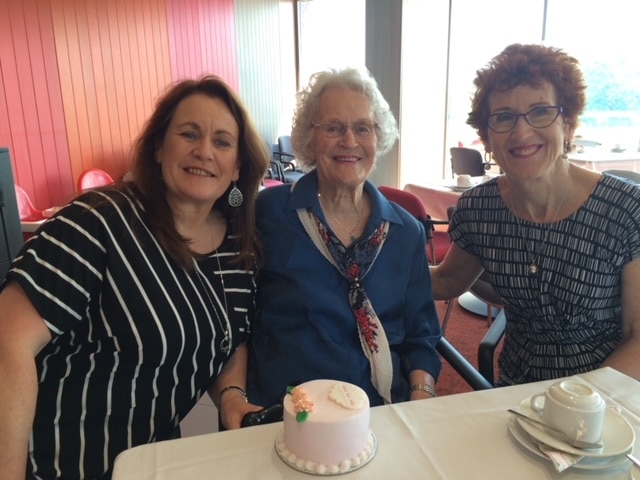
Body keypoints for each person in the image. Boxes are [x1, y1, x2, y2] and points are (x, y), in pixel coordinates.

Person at [0, 76, 269, 479]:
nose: (204, 152)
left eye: (222, 142)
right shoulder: (99, 221)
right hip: (55, 460)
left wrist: (231, 398)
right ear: (159, 148)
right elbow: (8, 340)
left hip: (152, 464)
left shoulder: (238, 245)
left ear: (237, 169)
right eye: (189, 134)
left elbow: (233, 337)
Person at [430, 43, 640, 386]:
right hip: (516, 395)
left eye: (540, 111)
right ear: (487, 137)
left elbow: (638, 337)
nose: (522, 132)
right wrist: (369, 267)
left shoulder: (627, 210)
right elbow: (448, 281)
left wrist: (573, 403)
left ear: (568, 124)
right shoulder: (480, 209)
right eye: (504, 117)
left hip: (608, 403)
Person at [239, 67, 442, 413]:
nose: (350, 142)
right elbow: (236, 317)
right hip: (288, 411)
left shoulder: (405, 231)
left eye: (363, 128)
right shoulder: (268, 213)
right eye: (333, 128)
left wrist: (421, 398)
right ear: (309, 138)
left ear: (378, 138)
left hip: (379, 411)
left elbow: (421, 335)